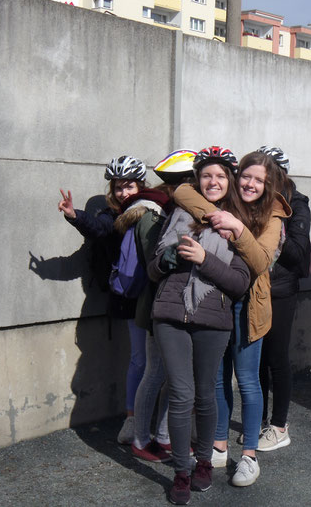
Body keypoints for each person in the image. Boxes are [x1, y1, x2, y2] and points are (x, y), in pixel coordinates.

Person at [173, 148, 291, 487]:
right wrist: (218, 215)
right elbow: (182, 191)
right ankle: (220, 445)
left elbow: (260, 261)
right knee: (216, 378)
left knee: (249, 381)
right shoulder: (225, 199)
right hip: (217, 297)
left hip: (249, 304)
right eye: (246, 177)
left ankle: (250, 456)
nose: (250, 184)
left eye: (259, 180)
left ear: (269, 186)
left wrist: (237, 228)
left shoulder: (274, 215)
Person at [147, 147, 251, 505]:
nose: (213, 181)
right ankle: (180, 471)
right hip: (170, 314)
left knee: (206, 393)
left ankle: (204, 462)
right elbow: (152, 269)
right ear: (197, 180)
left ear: (230, 182)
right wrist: (167, 258)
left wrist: (205, 259)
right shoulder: (178, 213)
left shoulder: (239, 224)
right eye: (207, 175)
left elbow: (239, 284)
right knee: (180, 394)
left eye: (221, 176)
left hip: (213, 317)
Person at [58, 155, 149, 444]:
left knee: (162, 363)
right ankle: (132, 419)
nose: (124, 192)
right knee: (139, 359)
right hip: (131, 299)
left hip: (159, 295)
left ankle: (160, 418)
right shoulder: (112, 217)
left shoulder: (154, 210)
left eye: (130, 186)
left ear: (141, 186)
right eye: (119, 187)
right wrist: (75, 216)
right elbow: (99, 229)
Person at [128, 150, 199, 464]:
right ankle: (141, 439)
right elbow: (155, 264)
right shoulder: (154, 214)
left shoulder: (172, 210)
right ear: (184, 183)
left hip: (177, 306)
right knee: (156, 373)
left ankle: (164, 436)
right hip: (159, 306)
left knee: (175, 376)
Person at [256, 147, 311, 452]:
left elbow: (299, 254)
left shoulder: (298, 204)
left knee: (277, 358)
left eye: (271, 173)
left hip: (281, 290)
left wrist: (277, 233)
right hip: (255, 287)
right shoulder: (254, 200)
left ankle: (279, 426)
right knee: (257, 362)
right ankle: (258, 421)